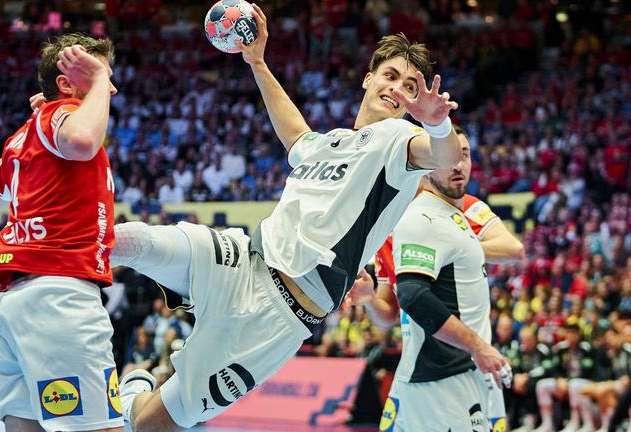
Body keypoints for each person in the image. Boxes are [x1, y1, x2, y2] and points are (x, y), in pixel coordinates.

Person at [111, 5, 510, 430]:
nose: (398, 89)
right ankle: (47, 266)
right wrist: (257, 63)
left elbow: (443, 155)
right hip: (243, 261)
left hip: (279, 319)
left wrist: (437, 125)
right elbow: (295, 134)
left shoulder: (401, 141)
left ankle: (133, 388)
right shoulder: (331, 141)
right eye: (390, 76)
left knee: (149, 423)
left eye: (410, 86)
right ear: (368, 79)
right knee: (134, 241)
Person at [0, 34, 123, 432]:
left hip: (13, 306)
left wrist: (35, 139)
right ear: (67, 83)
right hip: (61, 302)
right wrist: (92, 86)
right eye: (100, 75)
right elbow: (83, 140)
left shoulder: (25, 134)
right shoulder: (63, 116)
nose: (110, 87)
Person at [349, 125, 523, 431]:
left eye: (465, 155)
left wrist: (462, 250)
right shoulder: (407, 223)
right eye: (450, 156)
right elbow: (403, 304)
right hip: (435, 365)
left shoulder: (465, 209)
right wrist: (370, 302)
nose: (458, 164)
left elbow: (515, 249)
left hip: (459, 363)